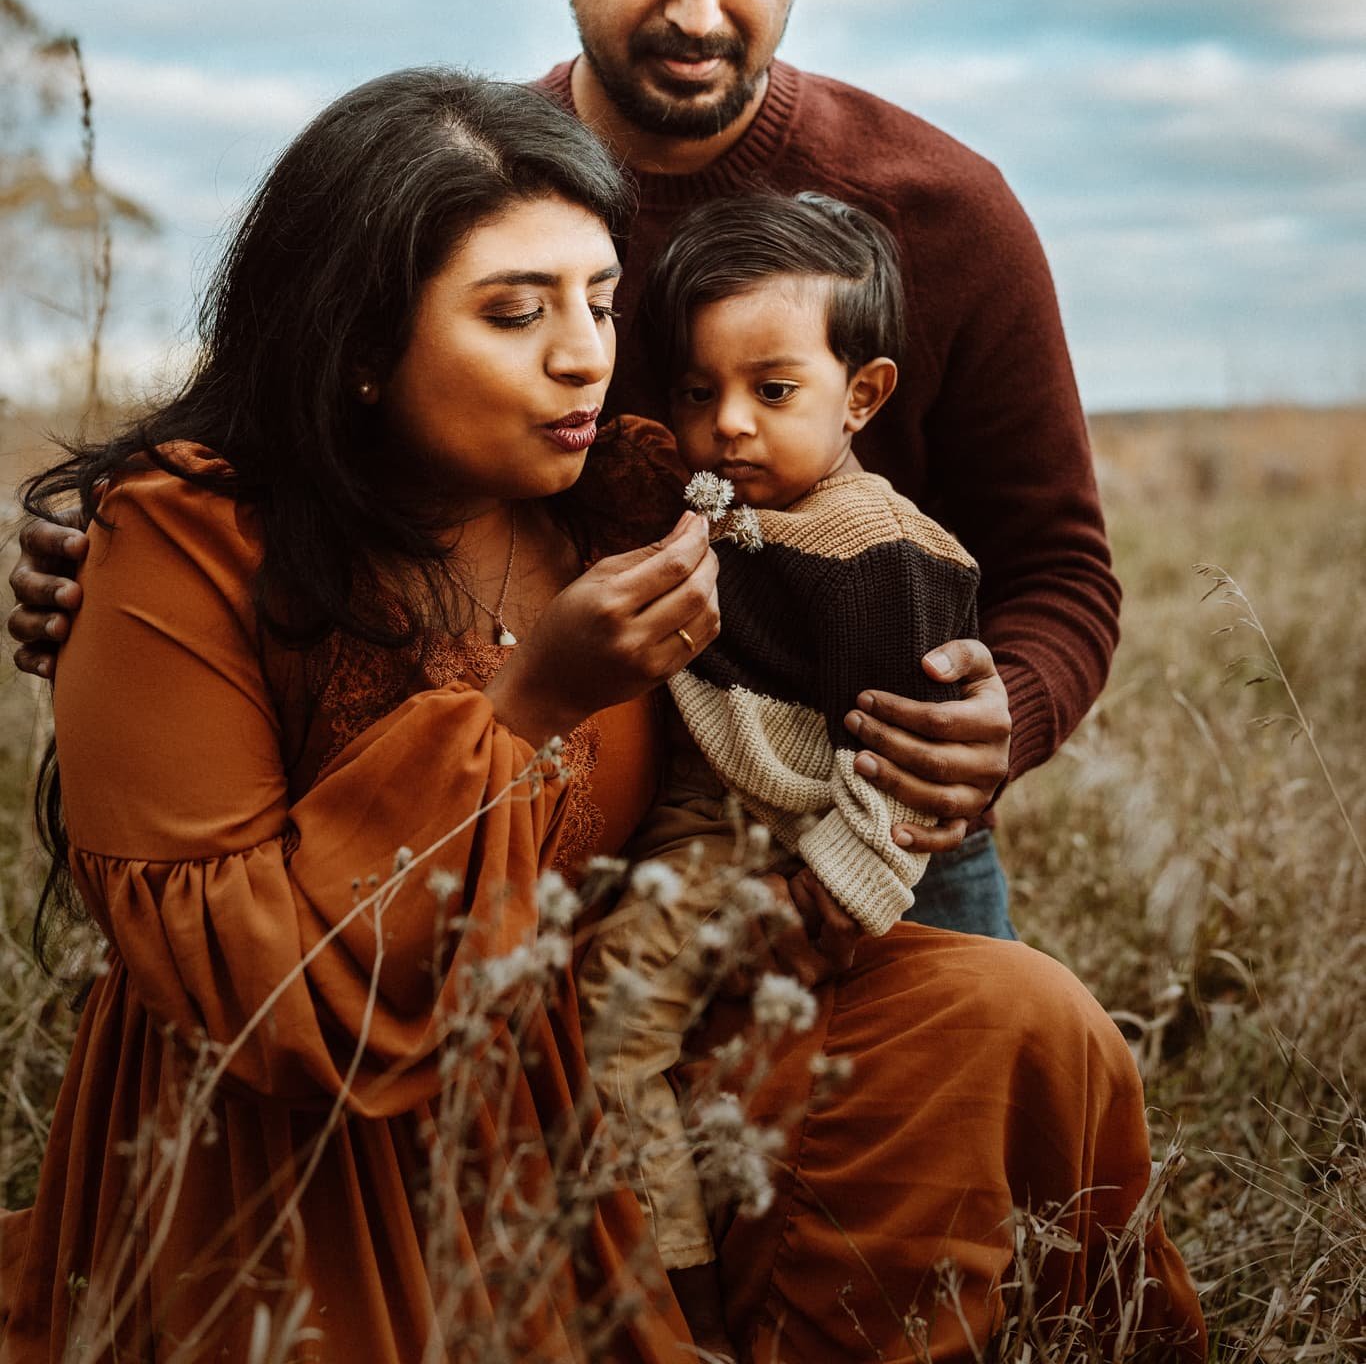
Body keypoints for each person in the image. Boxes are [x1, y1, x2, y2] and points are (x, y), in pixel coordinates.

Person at [0, 68, 1207, 1361]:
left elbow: (903, 522)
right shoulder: (187, 536)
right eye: (515, 314)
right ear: (356, 346)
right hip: (336, 1132)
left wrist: (967, 699)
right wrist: (527, 705)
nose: (585, 352)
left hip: (607, 1041)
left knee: (1008, 1012)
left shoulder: (611, 493)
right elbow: (254, 1000)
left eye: (597, 300)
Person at [14, 0, 1119, 940]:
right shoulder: (455, 195)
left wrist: (1001, 716)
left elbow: (1062, 567)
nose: (701, 7)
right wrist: (124, 570)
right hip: (548, 825)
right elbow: (285, 455)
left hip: (880, 833)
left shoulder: (945, 214)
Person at [576, 190, 982, 1361]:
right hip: (690, 821)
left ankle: (680, 1313)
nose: (729, 426)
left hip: (773, 840)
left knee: (615, 1028)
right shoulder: (731, 512)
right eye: (699, 392)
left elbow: (904, 757)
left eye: (774, 390)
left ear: (863, 396)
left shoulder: (875, 551)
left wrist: (824, 902)